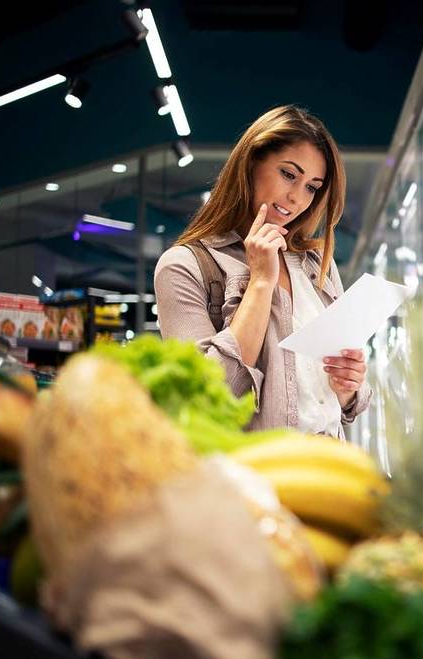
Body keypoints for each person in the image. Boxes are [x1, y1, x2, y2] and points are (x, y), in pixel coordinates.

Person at [154, 105, 371, 439]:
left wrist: (348, 385)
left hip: (331, 471)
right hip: (254, 479)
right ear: (252, 162)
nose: (297, 198)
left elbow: (337, 405)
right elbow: (208, 398)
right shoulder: (184, 266)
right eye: (289, 174)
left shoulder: (316, 265)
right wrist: (260, 283)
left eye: (312, 187)